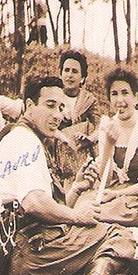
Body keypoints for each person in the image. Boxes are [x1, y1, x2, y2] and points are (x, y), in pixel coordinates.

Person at [0, 75, 138, 275]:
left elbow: (42, 209)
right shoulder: (24, 140)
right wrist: (78, 216)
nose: (57, 115)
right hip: (33, 252)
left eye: (61, 108)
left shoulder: (21, 137)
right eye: (50, 105)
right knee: (119, 235)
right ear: (29, 105)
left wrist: (76, 189)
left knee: (113, 246)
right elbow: (34, 204)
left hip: (18, 257)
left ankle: (103, 266)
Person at [87, 67, 138, 226]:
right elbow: (106, 180)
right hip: (113, 192)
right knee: (87, 211)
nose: (119, 100)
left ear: (136, 97)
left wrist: (118, 194)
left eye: (125, 93)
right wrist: (109, 144)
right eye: (114, 94)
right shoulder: (108, 126)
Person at [49, 50, 98, 189]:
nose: (69, 75)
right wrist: (63, 136)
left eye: (75, 71)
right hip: (57, 150)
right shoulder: (52, 97)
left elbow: (99, 126)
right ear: (60, 74)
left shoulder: (89, 100)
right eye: (66, 70)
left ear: (82, 78)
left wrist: (89, 138)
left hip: (81, 153)